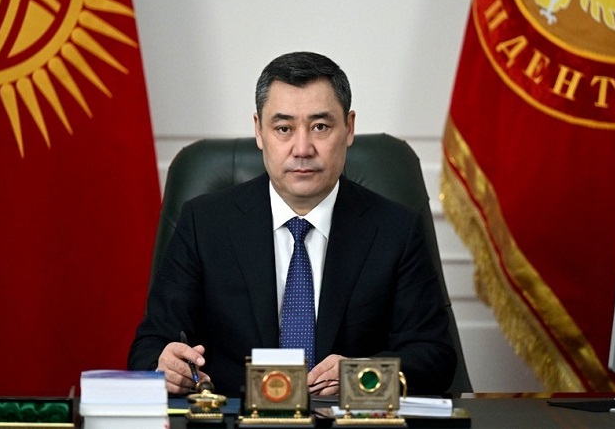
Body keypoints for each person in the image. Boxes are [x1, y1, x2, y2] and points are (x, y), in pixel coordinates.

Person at [128, 51, 456, 397]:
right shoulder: (204, 224)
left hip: (344, 417)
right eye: (283, 128)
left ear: (349, 128)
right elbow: (150, 347)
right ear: (259, 131)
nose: (302, 148)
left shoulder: (396, 229)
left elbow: (434, 357)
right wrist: (164, 366)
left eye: (320, 127)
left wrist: (358, 377)